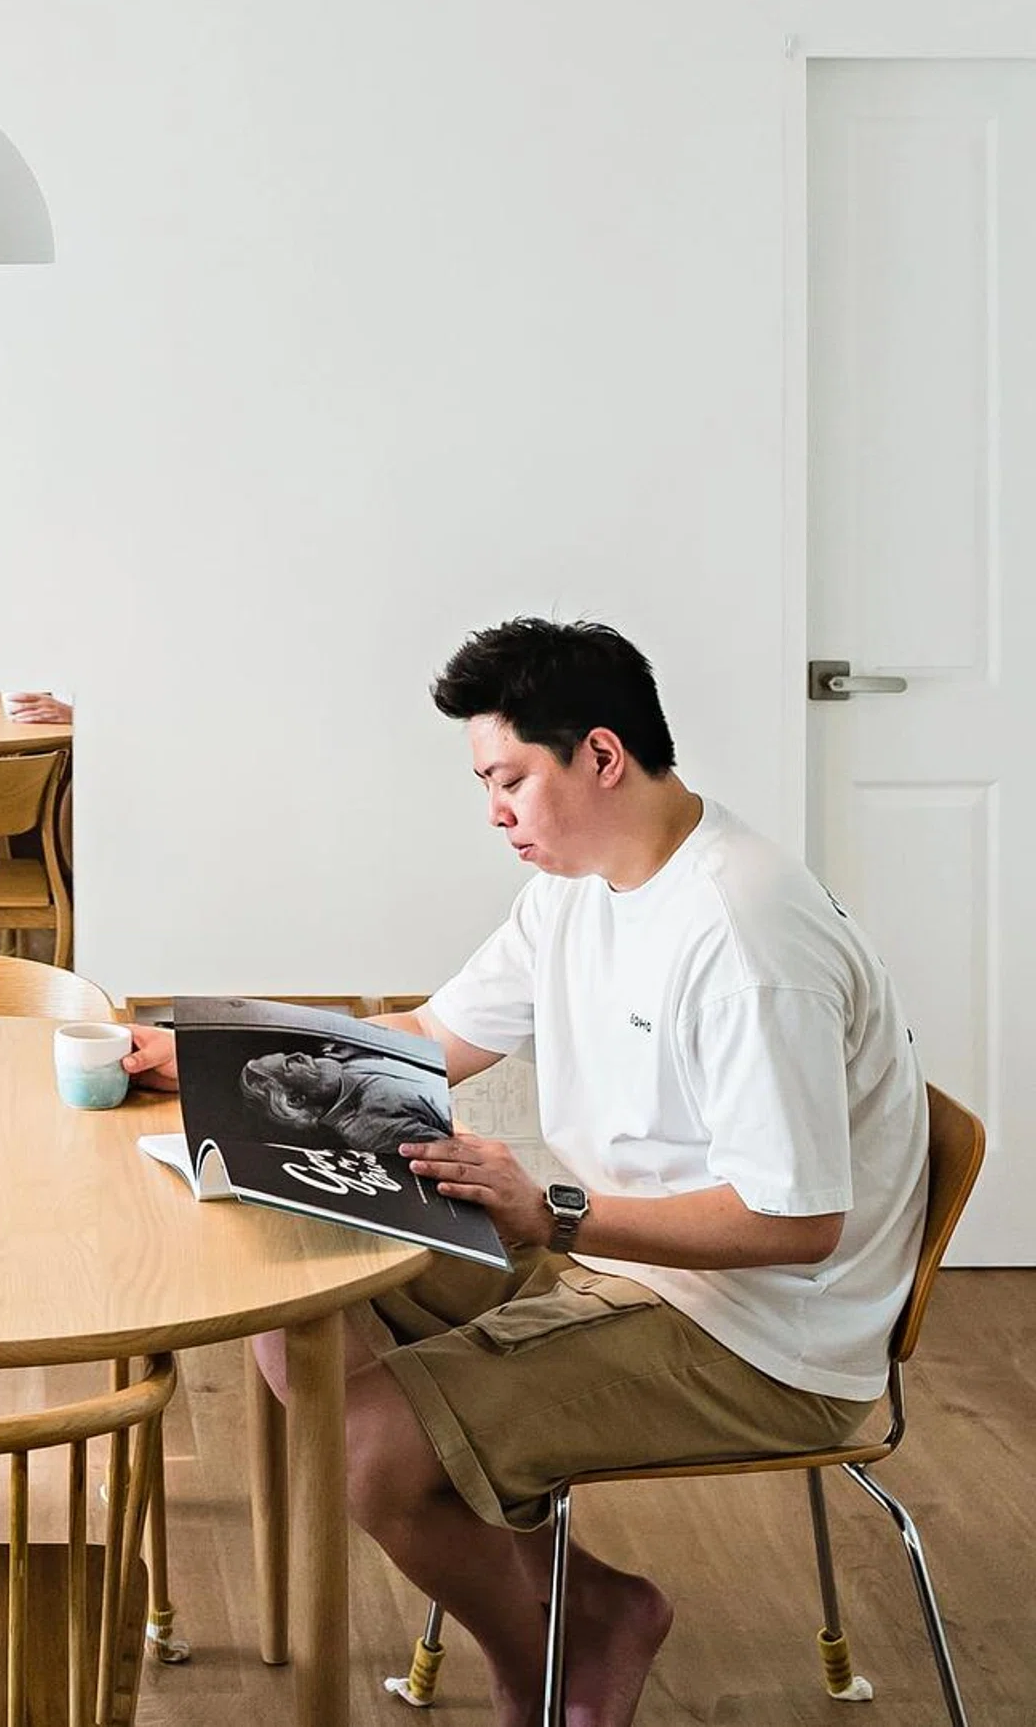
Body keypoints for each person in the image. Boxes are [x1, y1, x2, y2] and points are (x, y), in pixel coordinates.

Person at [120, 618, 929, 1727]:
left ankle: (556, 1645)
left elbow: (795, 1225)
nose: (494, 811)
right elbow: (432, 1033)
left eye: (509, 778)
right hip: (615, 1260)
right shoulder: (579, 880)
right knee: (295, 1294)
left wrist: (552, 1211)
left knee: (369, 1448)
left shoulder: (746, 940)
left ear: (601, 755)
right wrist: (216, 1056)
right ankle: (579, 1603)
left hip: (759, 1332)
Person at [239, 1044, 446, 1154]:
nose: (300, 1054)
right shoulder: (368, 1129)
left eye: (289, 1054)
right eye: (289, 1065)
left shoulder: (347, 1064)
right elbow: (449, 1151)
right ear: (295, 1100)